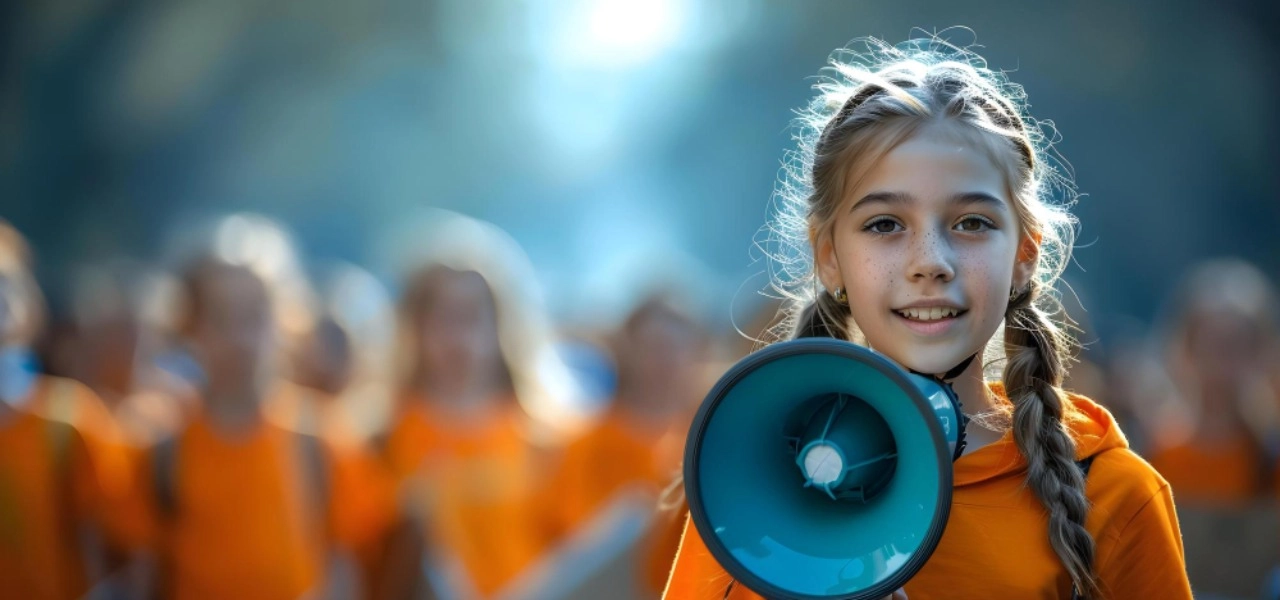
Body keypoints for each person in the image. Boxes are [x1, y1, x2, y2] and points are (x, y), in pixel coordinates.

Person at [663, 34, 1192, 599]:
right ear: (828, 257)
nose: (930, 264)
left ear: (1024, 255)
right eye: (885, 225)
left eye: (971, 223)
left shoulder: (1114, 495)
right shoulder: (747, 498)